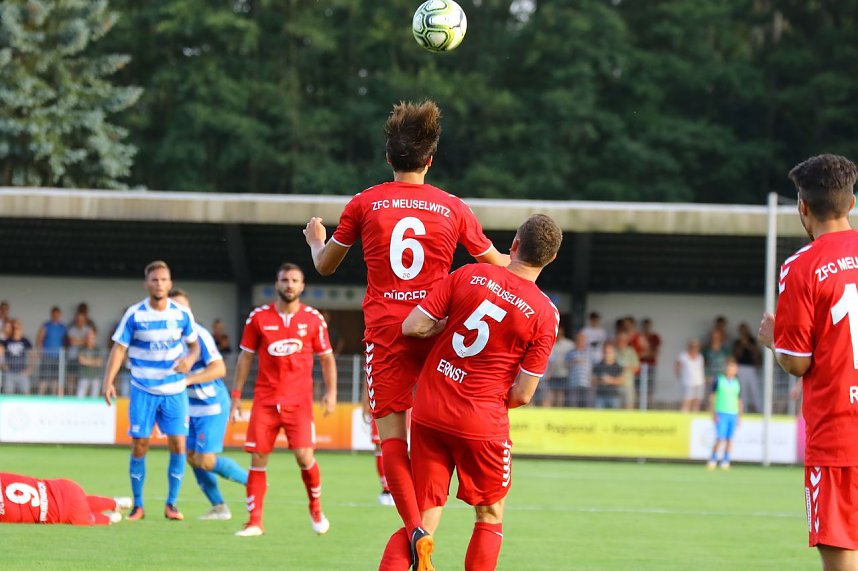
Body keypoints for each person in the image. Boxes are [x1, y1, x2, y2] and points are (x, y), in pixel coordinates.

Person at [302, 99, 508, 558]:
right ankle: (434, 519)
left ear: (387, 158)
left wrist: (316, 238)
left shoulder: (364, 203)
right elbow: (496, 264)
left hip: (387, 336)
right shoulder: (453, 207)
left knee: (393, 437)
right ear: (430, 160)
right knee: (432, 438)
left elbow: (326, 265)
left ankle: (416, 528)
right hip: (438, 335)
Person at [378, 214, 561, 571]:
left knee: (422, 520)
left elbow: (412, 326)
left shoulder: (468, 274)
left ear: (514, 245)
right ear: (550, 259)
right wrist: (484, 400)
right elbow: (523, 393)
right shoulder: (544, 312)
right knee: (489, 513)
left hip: (430, 410)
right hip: (481, 422)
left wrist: (444, 327)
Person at [757, 154, 858, 569]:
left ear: (802, 207)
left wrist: (773, 338)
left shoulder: (802, 266)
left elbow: (797, 362)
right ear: (851, 203)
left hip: (838, 436)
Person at [229, 263, 337, 537]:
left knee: (304, 457)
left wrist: (331, 392)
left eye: (294, 280)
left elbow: (326, 359)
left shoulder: (314, 319)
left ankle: (316, 509)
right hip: (265, 400)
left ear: (302, 286)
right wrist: (237, 395)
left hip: (299, 402)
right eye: (284, 280)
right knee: (258, 457)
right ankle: (254, 522)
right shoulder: (258, 317)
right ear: (276, 284)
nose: (289, 285)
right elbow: (245, 357)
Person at [102, 260, 200, 522]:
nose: (159, 284)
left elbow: (194, 347)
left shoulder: (181, 314)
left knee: (178, 444)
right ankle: (138, 505)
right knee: (140, 444)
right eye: (154, 280)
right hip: (143, 388)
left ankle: (172, 504)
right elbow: (119, 348)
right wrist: (108, 381)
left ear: (170, 283)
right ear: (147, 284)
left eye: (163, 279)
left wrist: (189, 362)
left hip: (174, 390)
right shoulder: (134, 315)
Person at [169, 289, 248, 521]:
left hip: (211, 404)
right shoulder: (164, 337)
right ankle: (219, 507)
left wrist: (187, 380)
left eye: (184, 308)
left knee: (205, 459)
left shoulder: (199, 335)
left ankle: (254, 482)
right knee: (190, 456)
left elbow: (219, 369)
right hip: (189, 406)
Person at [0, 472, 132, 525]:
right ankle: (116, 503)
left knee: (88, 516)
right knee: (81, 501)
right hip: (65, 487)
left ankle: (110, 518)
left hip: (68, 514)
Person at [706, 357, 742, 470]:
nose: (731, 369)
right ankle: (713, 458)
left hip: (733, 413)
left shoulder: (737, 382)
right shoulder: (719, 380)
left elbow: (739, 400)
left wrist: (740, 416)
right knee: (719, 438)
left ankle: (726, 460)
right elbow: (712, 397)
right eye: (729, 367)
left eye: (733, 367)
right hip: (721, 412)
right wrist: (713, 413)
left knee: (729, 439)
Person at [35, 306, 66, 395]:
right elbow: (39, 339)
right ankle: (40, 396)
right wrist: (39, 351)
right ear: (51, 314)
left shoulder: (62, 327)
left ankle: (54, 397)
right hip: (46, 355)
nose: (56, 316)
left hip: (58, 357)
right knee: (44, 378)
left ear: (60, 315)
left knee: (55, 379)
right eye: (54, 314)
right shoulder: (46, 326)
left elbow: (65, 341)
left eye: (57, 314)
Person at [542, 324, 575, 407]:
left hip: (563, 373)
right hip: (550, 374)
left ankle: (559, 409)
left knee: (561, 394)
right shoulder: (549, 343)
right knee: (549, 394)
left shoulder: (569, 344)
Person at [733, 322, 762, 413]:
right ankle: (743, 409)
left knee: (755, 389)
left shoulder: (752, 340)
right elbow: (736, 354)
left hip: (751, 368)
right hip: (740, 367)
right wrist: (742, 344)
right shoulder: (737, 342)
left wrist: (748, 345)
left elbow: (756, 353)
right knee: (742, 390)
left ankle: (760, 409)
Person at [2, 319, 33, 394]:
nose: (16, 330)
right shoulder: (6, 341)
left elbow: (32, 355)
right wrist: (3, 366)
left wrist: (30, 368)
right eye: (14, 328)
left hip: (22, 372)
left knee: (26, 393)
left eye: (18, 328)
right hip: (9, 372)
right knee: (8, 394)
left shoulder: (25, 341)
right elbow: (1, 355)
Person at [675, 338, 705, 412]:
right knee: (686, 402)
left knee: (697, 402)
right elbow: (677, 367)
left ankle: (694, 417)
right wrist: (679, 377)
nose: (694, 348)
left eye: (696, 346)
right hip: (687, 383)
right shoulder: (683, 356)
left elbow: (701, 369)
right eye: (692, 346)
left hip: (699, 382)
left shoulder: (700, 357)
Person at [566, 330, 594, 408]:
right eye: (578, 340)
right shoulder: (570, 352)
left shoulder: (590, 352)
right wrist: (573, 362)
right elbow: (565, 365)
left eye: (582, 340)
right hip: (574, 383)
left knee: (587, 404)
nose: (580, 342)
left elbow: (594, 365)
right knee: (573, 404)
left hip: (587, 383)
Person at [592, 343, 625, 409]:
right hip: (600, 396)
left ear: (613, 353)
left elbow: (622, 381)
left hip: (614, 396)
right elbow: (592, 381)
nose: (607, 354)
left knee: (614, 418)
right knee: (598, 418)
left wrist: (611, 380)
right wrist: (601, 381)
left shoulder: (618, 366)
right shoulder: (598, 365)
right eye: (605, 352)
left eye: (609, 352)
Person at [615, 331, 640, 409]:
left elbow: (637, 368)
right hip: (615, 385)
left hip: (628, 384)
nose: (621, 342)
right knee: (616, 408)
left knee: (629, 407)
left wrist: (628, 367)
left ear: (626, 341)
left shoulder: (631, 352)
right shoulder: (613, 351)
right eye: (619, 340)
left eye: (623, 340)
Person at [76, 329, 103, 397]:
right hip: (84, 376)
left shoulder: (98, 349)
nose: (90, 339)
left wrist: (87, 361)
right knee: (80, 397)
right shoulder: (81, 349)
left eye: (92, 338)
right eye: (88, 338)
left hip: (95, 377)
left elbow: (99, 362)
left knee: (94, 398)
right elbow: (81, 361)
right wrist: (94, 362)